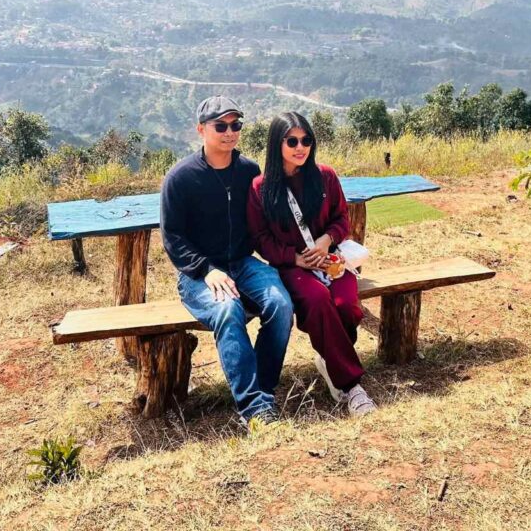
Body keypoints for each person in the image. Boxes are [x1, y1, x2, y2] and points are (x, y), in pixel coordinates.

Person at [160, 95, 294, 431]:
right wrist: (207, 270)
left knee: (281, 304)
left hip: (243, 263)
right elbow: (172, 237)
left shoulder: (249, 171)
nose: (230, 132)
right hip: (198, 274)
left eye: (236, 125)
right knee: (227, 309)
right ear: (201, 130)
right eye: (221, 126)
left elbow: (264, 221)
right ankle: (253, 409)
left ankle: (262, 392)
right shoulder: (180, 178)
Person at [247, 111, 377, 416]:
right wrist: (294, 258)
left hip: (330, 260)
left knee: (347, 306)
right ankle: (352, 387)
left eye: (306, 140)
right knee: (317, 301)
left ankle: (330, 359)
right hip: (292, 267)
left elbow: (341, 218)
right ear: (276, 144)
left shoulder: (325, 176)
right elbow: (260, 238)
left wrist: (326, 240)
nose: (300, 147)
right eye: (292, 141)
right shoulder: (260, 188)